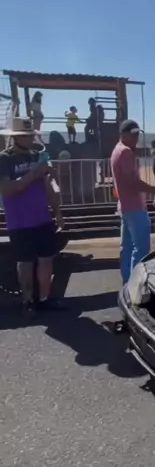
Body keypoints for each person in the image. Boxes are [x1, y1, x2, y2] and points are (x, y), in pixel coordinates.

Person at [0, 116, 64, 317]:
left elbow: (47, 186)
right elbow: (7, 189)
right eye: (25, 136)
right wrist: (33, 174)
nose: (30, 139)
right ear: (16, 137)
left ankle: (44, 298)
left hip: (42, 218)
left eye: (31, 136)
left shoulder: (37, 156)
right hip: (20, 221)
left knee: (46, 260)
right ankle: (27, 301)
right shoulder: (5, 159)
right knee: (25, 263)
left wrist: (57, 211)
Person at [110, 120, 155, 284]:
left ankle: (127, 281)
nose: (136, 138)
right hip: (134, 207)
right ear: (123, 134)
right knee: (141, 249)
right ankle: (135, 284)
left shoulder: (117, 150)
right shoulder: (125, 152)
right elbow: (133, 182)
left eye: (138, 134)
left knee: (127, 247)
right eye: (133, 134)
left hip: (125, 206)